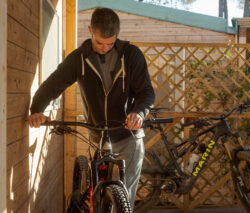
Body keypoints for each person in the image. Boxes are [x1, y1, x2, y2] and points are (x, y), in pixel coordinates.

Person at [27, 7, 155, 209]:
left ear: (117, 36)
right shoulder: (78, 58)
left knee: (125, 198)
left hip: (129, 136)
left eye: (110, 43)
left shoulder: (132, 56)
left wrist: (138, 112)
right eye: (99, 43)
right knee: (97, 192)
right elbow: (54, 84)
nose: (105, 48)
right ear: (90, 31)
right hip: (97, 135)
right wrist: (36, 108)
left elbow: (146, 92)